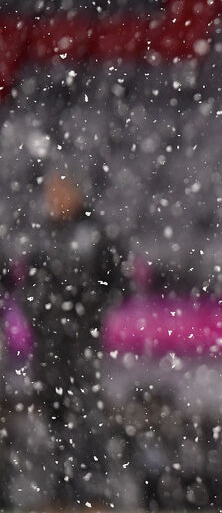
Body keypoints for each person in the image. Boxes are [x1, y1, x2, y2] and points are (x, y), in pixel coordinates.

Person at [22, 172, 128, 508]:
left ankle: (92, 492)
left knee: (86, 419)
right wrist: (39, 311)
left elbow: (117, 283)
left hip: (79, 343)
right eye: (50, 191)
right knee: (55, 421)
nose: (53, 198)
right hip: (49, 346)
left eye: (59, 190)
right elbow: (28, 284)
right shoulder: (43, 235)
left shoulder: (94, 234)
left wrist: (83, 310)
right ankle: (60, 491)